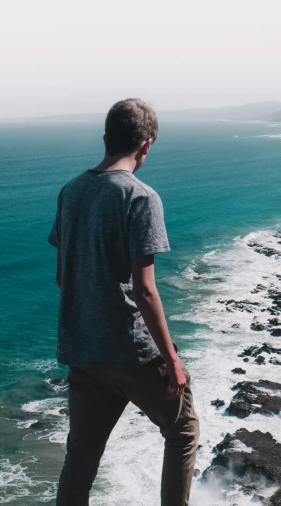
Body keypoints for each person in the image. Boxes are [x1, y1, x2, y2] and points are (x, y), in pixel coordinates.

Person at [48, 98, 199, 506]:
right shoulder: (140, 197)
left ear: (105, 139)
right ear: (146, 145)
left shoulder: (71, 191)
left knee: (81, 456)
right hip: (130, 352)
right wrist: (170, 359)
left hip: (83, 351)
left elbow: (64, 277)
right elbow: (145, 290)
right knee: (182, 431)